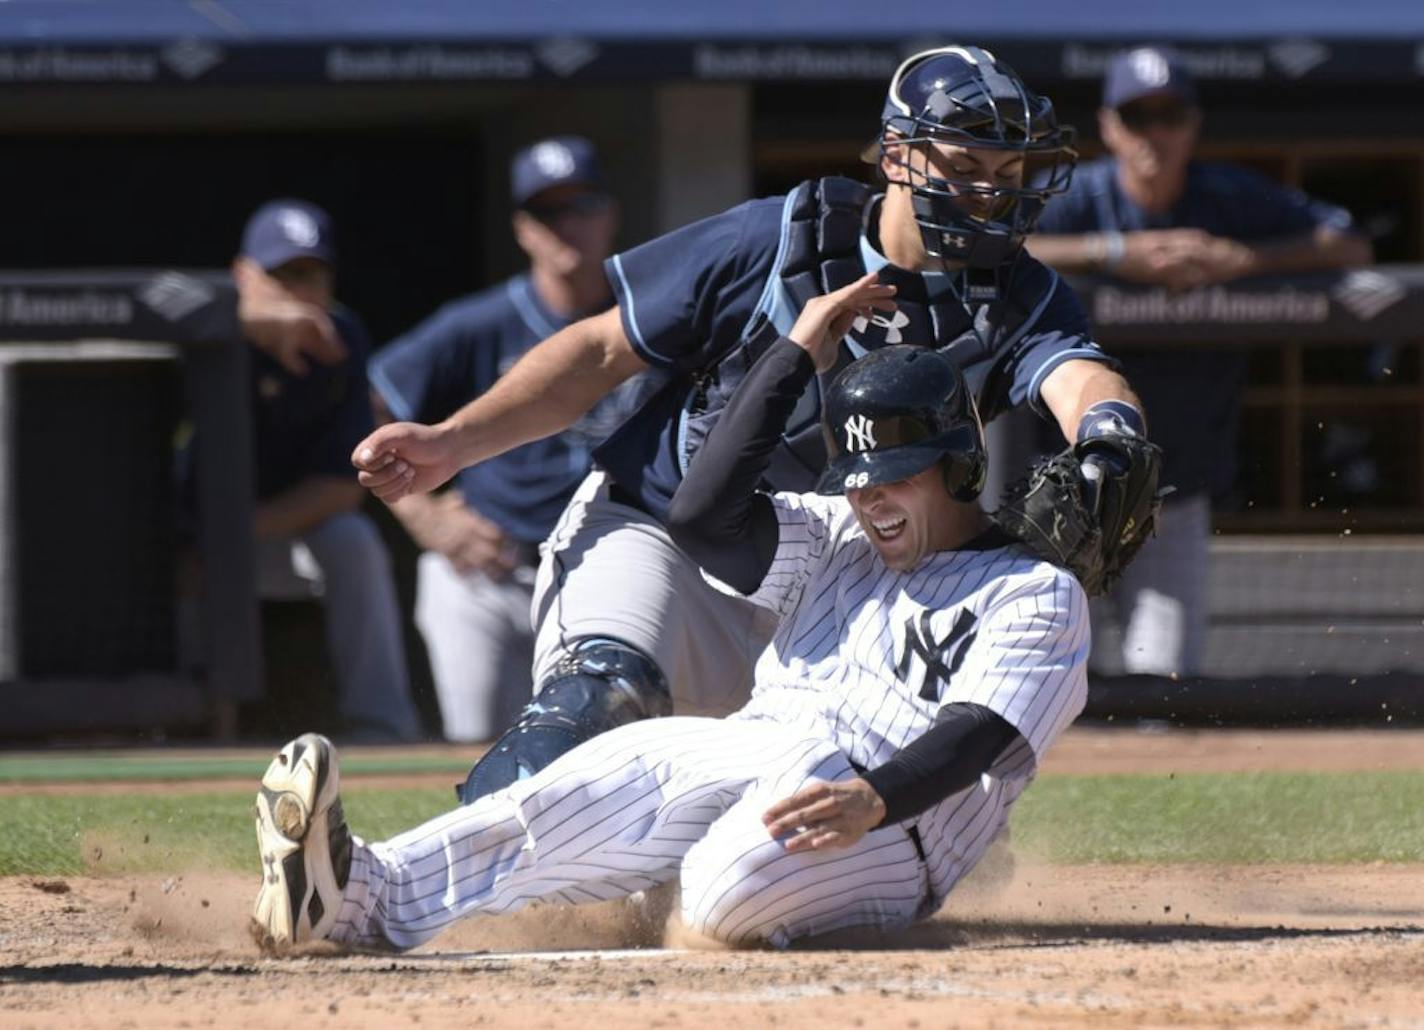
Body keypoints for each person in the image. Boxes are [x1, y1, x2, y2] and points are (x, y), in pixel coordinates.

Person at [351, 45, 1146, 804]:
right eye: (964, 167)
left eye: (1008, 174)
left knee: (792, 818)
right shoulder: (779, 238)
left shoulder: (1024, 296)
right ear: (898, 156)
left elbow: (1079, 375)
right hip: (662, 529)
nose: (988, 194)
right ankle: (431, 883)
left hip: (833, 580)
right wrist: (451, 442)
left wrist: (1111, 435)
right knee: (600, 697)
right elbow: (599, 352)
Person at [249, 276, 1089, 952]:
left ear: (958, 466)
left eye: (896, 476)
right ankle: (358, 894)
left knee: (721, 893)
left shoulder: (1033, 592)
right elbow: (700, 517)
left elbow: (980, 731)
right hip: (757, 745)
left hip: (894, 826)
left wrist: (872, 796)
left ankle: (660, 876)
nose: (871, 500)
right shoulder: (840, 535)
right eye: (860, 480)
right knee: (594, 784)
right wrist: (793, 351)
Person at [1028, 45, 1372, 676]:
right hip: (1061, 490)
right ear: (1107, 125)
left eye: (1169, 116)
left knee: (1161, 686)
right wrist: (1115, 254)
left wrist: (1246, 260)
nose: (1153, 134)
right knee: (1038, 684)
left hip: (1171, 493)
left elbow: (1349, 241)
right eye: (1137, 117)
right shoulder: (1084, 197)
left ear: (1193, 124)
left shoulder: (1225, 198)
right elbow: (993, 245)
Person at [368, 137, 634, 743]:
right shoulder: (480, 323)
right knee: (477, 752)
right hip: (489, 568)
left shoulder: (650, 313)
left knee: (608, 759)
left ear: (610, 214)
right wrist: (424, 517)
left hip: (614, 570)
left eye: (582, 205)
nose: (567, 225)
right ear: (522, 229)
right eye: (548, 212)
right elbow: (364, 406)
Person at [234, 199, 422, 742]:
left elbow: (342, 489)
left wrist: (232, 536)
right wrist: (240, 319)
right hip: (181, 547)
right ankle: (171, 725)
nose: (298, 293)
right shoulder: (208, 334)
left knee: (352, 538)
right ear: (242, 276)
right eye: (282, 275)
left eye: (311, 275)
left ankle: (382, 727)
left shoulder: (341, 340)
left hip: (265, 538)